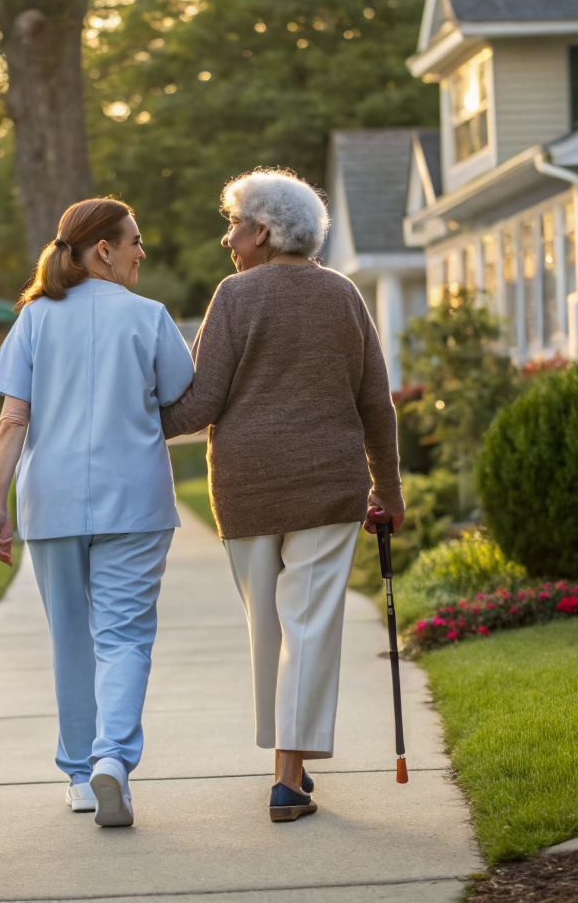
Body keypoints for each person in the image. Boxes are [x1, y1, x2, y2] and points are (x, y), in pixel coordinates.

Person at [161, 168, 405, 823]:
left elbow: (199, 403)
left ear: (263, 233)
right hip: (328, 486)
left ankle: (286, 774)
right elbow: (374, 407)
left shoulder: (235, 297)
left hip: (244, 487)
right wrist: (388, 489)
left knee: (268, 629)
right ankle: (287, 776)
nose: (227, 240)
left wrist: (128, 428)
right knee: (306, 626)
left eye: (235, 225)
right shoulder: (343, 295)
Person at [0, 198, 194, 828]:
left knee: (70, 639)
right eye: (134, 240)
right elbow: (185, 401)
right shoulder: (151, 316)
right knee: (124, 638)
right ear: (103, 249)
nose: (141, 251)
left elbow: (12, 418)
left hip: (52, 501)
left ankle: (79, 775)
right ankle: (112, 762)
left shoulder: (36, 319)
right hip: (136, 499)